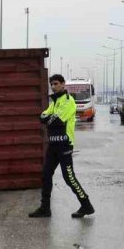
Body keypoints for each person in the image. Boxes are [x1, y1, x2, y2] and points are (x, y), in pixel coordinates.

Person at [29, 74, 95, 218]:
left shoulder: (69, 101)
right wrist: (48, 118)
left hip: (64, 145)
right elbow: (42, 117)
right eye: (51, 84)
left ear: (63, 84)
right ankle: (45, 208)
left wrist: (48, 118)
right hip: (52, 145)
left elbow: (56, 120)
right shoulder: (54, 102)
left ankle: (86, 205)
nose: (53, 87)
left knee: (69, 178)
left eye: (56, 83)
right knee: (46, 175)